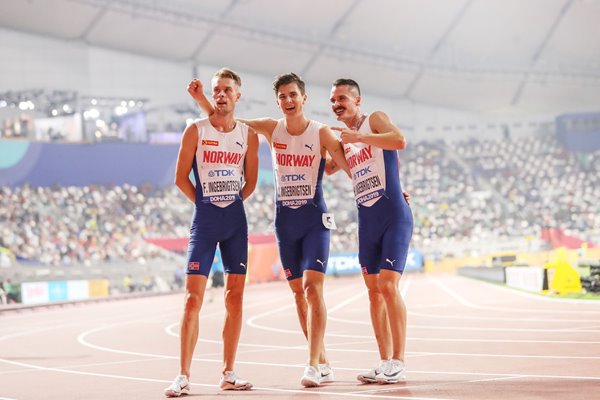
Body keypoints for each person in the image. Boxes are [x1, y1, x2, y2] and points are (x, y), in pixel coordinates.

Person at [188, 72, 350, 387]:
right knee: (298, 294)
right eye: (283, 97)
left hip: (315, 219)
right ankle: (323, 360)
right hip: (285, 223)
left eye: (294, 95)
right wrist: (202, 100)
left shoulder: (322, 133)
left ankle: (313, 364)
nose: (289, 101)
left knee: (312, 288)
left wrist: (397, 190)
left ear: (304, 99)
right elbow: (224, 119)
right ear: (278, 102)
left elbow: (349, 164)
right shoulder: (270, 128)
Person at [164, 67, 259, 397]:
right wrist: (204, 203)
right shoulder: (195, 130)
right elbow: (180, 178)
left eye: (227, 89)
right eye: (216, 89)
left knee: (235, 298)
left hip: (236, 223)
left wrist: (229, 203)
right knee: (192, 299)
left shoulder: (248, 135)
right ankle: (183, 375)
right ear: (212, 94)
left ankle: (228, 372)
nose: (221, 94)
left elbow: (250, 183)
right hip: (204, 223)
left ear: (237, 95)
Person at [327, 78, 413, 384]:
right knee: (373, 292)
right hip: (367, 219)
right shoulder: (342, 139)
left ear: (356, 100)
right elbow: (325, 166)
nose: (336, 104)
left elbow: (399, 140)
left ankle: (399, 361)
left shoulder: (373, 119)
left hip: (392, 214)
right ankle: (385, 361)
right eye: (333, 100)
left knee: (388, 287)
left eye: (342, 99)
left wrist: (360, 138)